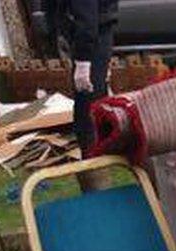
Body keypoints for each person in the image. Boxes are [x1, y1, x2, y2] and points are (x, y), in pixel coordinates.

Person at [69, 0, 117, 191]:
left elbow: (87, 16)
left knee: (88, 118)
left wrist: (83, 60)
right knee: (90, 115)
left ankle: (98, 187)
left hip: (92, 36)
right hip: (96, 31)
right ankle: (96, 183)